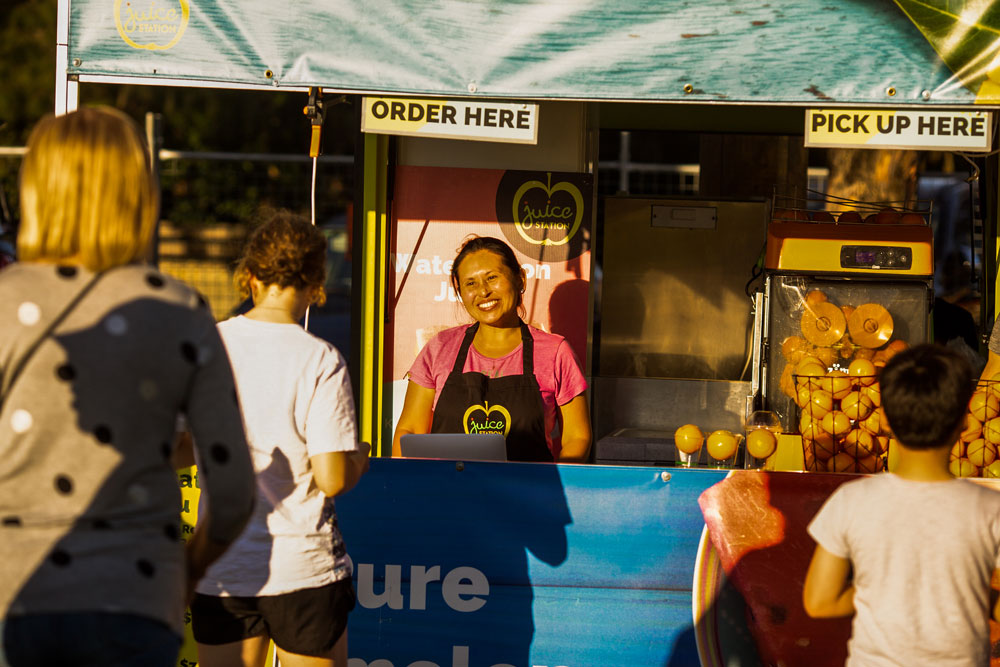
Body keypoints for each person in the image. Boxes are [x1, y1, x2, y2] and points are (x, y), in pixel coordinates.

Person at [0, 107, 256, 666]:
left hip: (14, 594)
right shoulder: (180, 310)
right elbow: (234, 490)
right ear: (138, 191)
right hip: (138, 598)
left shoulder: (4, 302)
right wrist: (183, 569)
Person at [189, 211, 369, 667]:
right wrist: (359, 458)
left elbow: (176, 446)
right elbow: (331, 479)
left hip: (222, 566)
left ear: (248, 276)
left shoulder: (207, 346)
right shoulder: (320, 358)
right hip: (303, 568)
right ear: (316, 281)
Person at [803, 344, 1000, 666]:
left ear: (883, 420)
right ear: (965, 420)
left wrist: (887, 586)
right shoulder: (991, 508)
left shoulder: (852, 501)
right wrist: (969, 590)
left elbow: (820, 602)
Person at [392, 236, 591, 462]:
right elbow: (409, 429)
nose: (483, 291)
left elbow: (578, 437)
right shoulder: (439, 348)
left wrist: (550, 487)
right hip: (447, 491)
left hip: (526, 494)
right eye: (470, 283)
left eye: (492, 278)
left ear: (519, 279)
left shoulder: (556, 352)